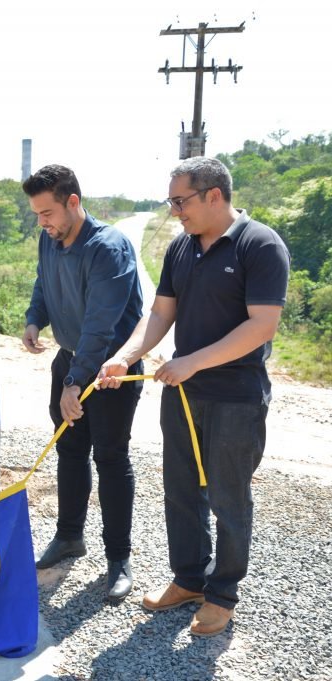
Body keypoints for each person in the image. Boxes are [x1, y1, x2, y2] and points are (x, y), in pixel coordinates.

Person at [99, 157, 290, 636]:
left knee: (228, 495)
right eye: (171, 202)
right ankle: (189, 579)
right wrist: (127, 355)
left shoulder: (260, 245)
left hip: (235, 397)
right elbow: (161, 314)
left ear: (214, 195)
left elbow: (261, 325)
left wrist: (193, 361)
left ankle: (223, 595)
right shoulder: (182, 249)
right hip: (182, 393)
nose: (175, 211)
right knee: (182, 490)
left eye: (180, 201)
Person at [21, 164, 144, 602]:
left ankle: (118, 560)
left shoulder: (108, 248)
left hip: (110, 372)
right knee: (70, 452)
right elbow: (44, 281)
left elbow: (101, 326)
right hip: (69, 362)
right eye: (37, 214)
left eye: (48, 212)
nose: (43, 222)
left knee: (110, 459)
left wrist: (75, 383)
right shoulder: (49, 239)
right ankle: (70, 536)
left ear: (73, 202)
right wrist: (35, 319)